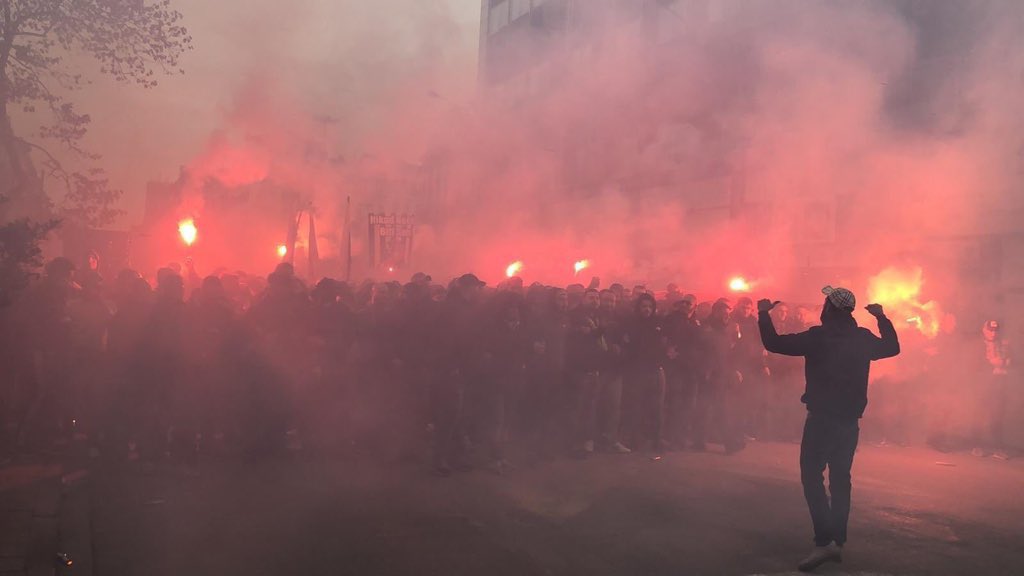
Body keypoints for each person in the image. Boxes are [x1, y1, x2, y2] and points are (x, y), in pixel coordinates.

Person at [758, 286, 900, 572]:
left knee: (812, 476)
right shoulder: (862, 338)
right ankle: (837, 541)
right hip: (849, 421)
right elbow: (892, 347)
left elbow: (773, 343)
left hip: (821, 419)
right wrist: (882, 318)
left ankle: (824, 542)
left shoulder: (818, 337)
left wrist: (762, 314)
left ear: (829, 309)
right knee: (840, 479)